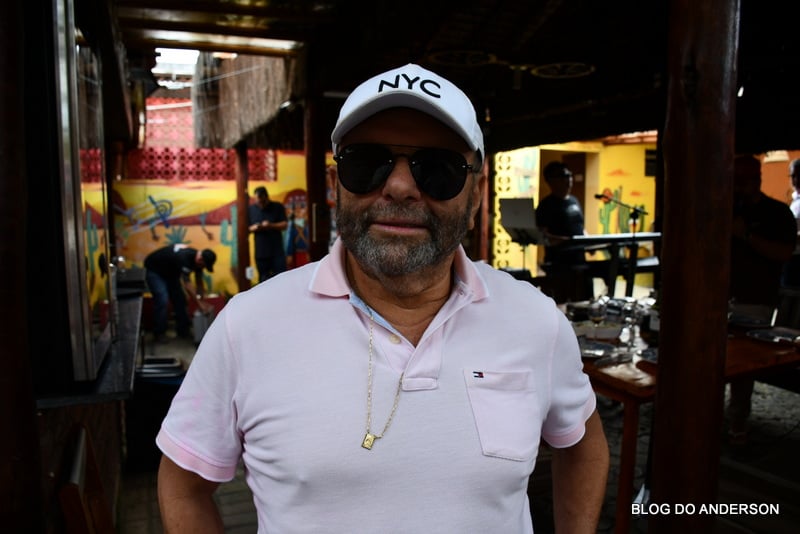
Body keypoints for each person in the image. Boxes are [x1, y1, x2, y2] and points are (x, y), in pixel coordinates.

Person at [156, 63, 609, 533]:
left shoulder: (534, 321)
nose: (399, 187)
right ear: (336, 184)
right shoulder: (248, 326)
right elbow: (183, 484)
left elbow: (583, 444)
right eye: (366, 162)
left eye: (438, 169)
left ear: (476, 195)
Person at [727, 155, 796, 443]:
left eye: (743, 180)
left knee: (743, 367)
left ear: (756, 179)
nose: (738, 186)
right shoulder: (724, 207)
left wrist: (745, 235)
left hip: (754, 300)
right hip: (718, 299)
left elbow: (783, 253)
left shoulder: (777, 213)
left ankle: (737, 422)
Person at [535, 161, 593, 301]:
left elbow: (580, 226)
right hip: (559, 266)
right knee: (558, 306)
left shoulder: (574, 201)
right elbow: (543, 235)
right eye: (563, 176)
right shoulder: (546, 206)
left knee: (583, 304)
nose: (569, 179)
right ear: (550, 181)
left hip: (580, 262)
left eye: (569, 175)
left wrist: (589, 242)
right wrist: (567, 241)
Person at [144, 244, 216, 342]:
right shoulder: (184, 257)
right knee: (162, 299)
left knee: (180, 300)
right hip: (155, 271)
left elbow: (199, 282)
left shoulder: (199, 260)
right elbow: (187, 285)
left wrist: (202, 300)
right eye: (203, 265)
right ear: (200, 260)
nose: (202, 268)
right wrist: (200, 304)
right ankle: (159, 333)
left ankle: (183, 330)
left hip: (170, 273)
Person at [248, 185, 289, 282]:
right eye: (258, 202)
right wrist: (256, 227)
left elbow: (284, 225)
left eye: (262, 202)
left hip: (277, 251)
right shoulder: (251, 209)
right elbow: (247, 228)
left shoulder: (277, 207)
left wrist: (271, 225)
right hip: (261, 252)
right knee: (263, 281)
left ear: (266, 197)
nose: (260, 204)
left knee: (281, 279)